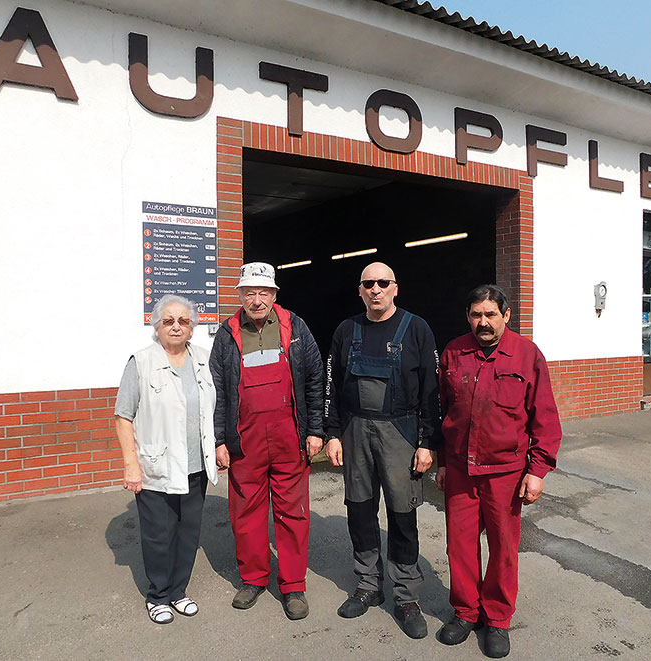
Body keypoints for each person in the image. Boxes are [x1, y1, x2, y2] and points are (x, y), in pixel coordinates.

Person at [436, 284, 561, 658]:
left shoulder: (527, 355)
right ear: (468, 317)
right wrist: (442, 461)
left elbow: (546, 419)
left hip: (505, 472)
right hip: (460, 469)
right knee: (459, 546)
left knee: (503, 549)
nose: (483, 322)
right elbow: (440, 410)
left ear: (506, 315)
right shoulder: (454, 352)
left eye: (490, 314)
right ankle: (465, 612)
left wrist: (537, 471)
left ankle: (497, 619)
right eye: (476, 315)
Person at [324, 262, 440, 639]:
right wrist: (332, 433)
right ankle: (368, 586)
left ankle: (406, 596)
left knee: (402, 515)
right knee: (359, 510)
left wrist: (427, 442)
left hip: (401, 432)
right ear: (360, 290)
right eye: (368, 283)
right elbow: (332, 385)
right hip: (355, 430)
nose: (376, 289)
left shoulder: (417, 329)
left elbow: (431, 393)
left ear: (395, 288)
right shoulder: (346, 330)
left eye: (383, 283)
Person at [210, 262, 324, 620]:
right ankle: (254, 579)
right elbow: (217, 391)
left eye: (263, 293)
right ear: (240, 296)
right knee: (246, 512)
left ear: (274, 294)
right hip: (245, 439)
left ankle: (293, 586)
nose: (256, 300)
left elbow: (315, 379)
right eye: (249, 293)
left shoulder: (296, 328)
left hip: (289, 435)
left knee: (293, 513)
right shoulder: (227, 334)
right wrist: (219, 439)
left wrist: (316, 430)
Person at [115, 294, 219, 624]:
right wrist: (131, 464)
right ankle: (157, 595)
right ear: (156, 327)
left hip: (195, 466)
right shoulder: (141, 362)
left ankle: (178, 591)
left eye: (183, 321)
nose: (176, 326)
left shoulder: (203, 359)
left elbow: (212, 410)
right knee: (159, 534)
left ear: (192, 327)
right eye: (168, 321)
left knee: (188, 532)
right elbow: (123, 416)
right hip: (156, 467)